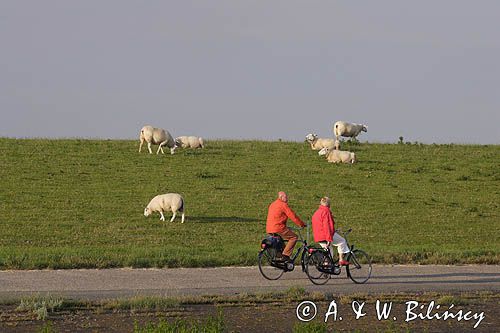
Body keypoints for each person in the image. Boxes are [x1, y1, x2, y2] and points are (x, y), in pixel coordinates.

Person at [266, 191, 306, 262]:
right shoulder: (283, 205)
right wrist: (301, 224)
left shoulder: (273, 204)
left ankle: (281, 259)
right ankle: (285, 256)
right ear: (281, 197)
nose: (287, 199)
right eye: (286, 197)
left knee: (281, 243)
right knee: (294, 237)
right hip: (278, 228)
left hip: (270, 228)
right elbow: (293, 216)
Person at [311, 196, 350, 266]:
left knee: (328, 253)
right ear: (329, 204)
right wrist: (329, 239)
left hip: (318, 236)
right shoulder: (326, 212)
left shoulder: (316, 212)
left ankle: (326, 268)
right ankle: (341, 260)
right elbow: (327, 226)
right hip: (326, 235)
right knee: (342, 241)